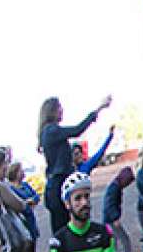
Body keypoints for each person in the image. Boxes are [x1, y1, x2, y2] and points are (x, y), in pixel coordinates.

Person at [38, 94, 112, 235]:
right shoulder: (51, 130)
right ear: (52, 111)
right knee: (64, 230)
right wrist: (99, 108)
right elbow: (78, 130)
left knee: (66, 227)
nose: (62, 110)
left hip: (56, 184)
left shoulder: (48, 132)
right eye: (59, 108)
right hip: (58, 183)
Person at [8, 161, 45, 252]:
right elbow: (18, 203)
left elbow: (35, 196)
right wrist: (26, 202)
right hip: (20, 228)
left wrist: (29, 201)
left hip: (31, 225)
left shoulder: (25, 185)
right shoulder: (10, 189)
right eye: (20, 170)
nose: (23, 172)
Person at [102, 165, 137, 252]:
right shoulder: (115, 188)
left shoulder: (115, 186)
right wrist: (115, 218)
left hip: (108, 219)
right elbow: (110, 204)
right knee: (123, 238)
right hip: (111, 219)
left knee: (114, 240)